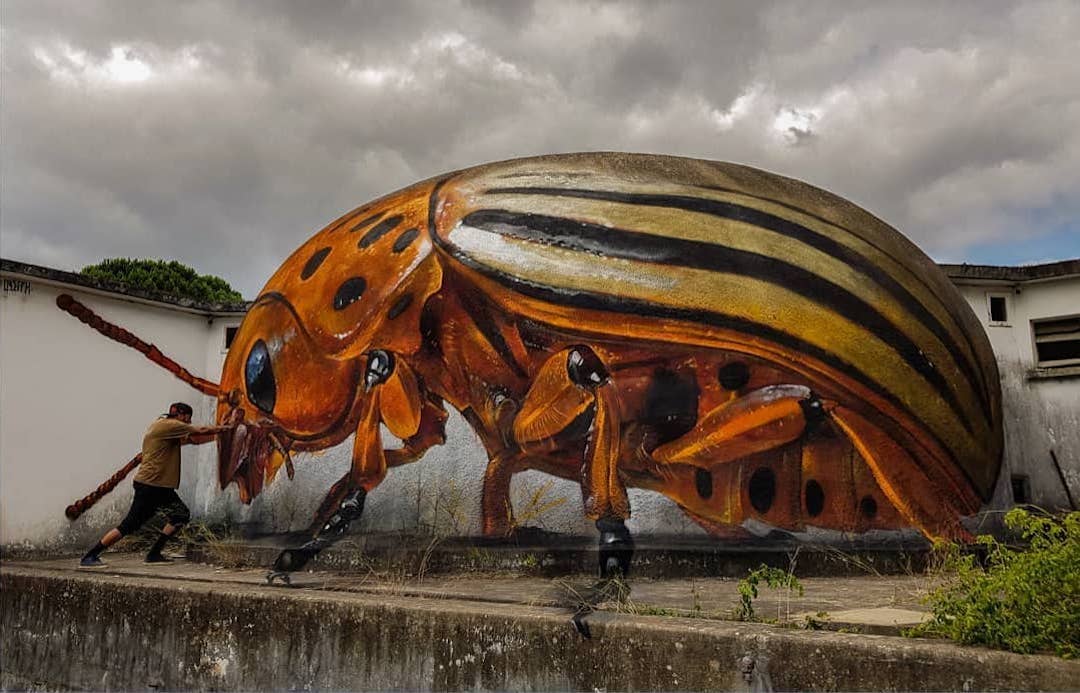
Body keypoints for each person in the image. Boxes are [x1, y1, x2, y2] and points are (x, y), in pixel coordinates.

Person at [79, 402, 231, 566]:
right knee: (129, 525)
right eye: (188, 418)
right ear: (181, 415)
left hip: (158, 487)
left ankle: (154, 554)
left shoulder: (167, 429)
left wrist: (218, 436)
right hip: (151, 486)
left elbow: (194, 440)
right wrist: (226, 428)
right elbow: (200, 431)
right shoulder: (169, 425)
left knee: (180, 515)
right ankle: (90, 556)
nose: (189, 422)